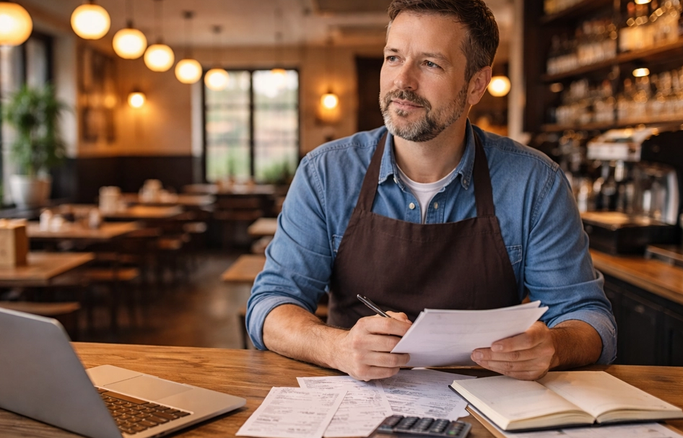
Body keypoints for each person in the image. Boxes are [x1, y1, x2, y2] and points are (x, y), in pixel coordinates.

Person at [246, 0, 617, 381]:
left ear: (476, 85)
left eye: (430, 64)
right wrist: (334, 347)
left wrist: (553, 348)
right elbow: (270, 305)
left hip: (488, 404)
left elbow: (589, 318)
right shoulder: (326, 172)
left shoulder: (534, 182)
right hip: (356, 400)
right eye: (393, 57)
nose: (402, 81)